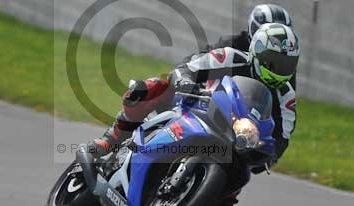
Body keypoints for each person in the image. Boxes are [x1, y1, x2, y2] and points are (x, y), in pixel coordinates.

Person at [89, 22, 300, 174]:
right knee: (155, 86)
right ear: (258, 52)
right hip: (198, 106)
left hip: (237, 136)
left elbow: (284, 136)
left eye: (287, 64)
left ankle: (202, 204)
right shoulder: (230, 56)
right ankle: (112, 139)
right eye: (274, 62)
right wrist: (185, 81)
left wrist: (268, 157)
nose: (280, 70)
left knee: (240, 175)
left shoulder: (286, 95)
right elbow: (187, 68)